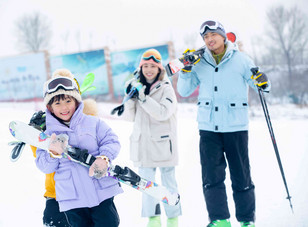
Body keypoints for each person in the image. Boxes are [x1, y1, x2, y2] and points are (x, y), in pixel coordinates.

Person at [177, 20, 270, 227]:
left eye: (213, 35)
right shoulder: (198, 63)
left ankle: (246, 220)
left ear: (223, 35)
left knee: (241, 175)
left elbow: (261, 86)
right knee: (212, 176)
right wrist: (186, 70)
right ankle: (219, 219)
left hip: (235, 127)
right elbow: (183, 91)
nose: (209, 40)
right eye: (205, 37)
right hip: (208, 128)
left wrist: (263, 81)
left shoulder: (242, 60)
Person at [35, 68, 123, 227]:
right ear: (50, 107)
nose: (64, 107)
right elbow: (43, 166)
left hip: (100, 191)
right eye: (58, 103)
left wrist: (104, 158)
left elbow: (112, 141)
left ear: (76, 101)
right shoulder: (48, 135)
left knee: (109, 223)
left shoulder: (93, 122)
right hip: (72, 199)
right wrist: (52, 154)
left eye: (68, 101)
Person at [122, 49, 182, 227]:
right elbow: (128, 118)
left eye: (152, 66)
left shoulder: (166, 88)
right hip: (142, 145)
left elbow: (163, 113)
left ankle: (172, 218)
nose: (148, 69)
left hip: (164, 145)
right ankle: (153, 219)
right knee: (147, 185)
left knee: (168, 183)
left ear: (159, 69)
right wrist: (130, 97)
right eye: (145, 66)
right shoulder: (138, 86)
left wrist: (143, 98)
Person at [28, 98, 98, 227]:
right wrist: (36, 134)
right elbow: (40, 158)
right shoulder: (50, 125)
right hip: (55, 196)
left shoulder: (87, 123)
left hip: (85, 196)